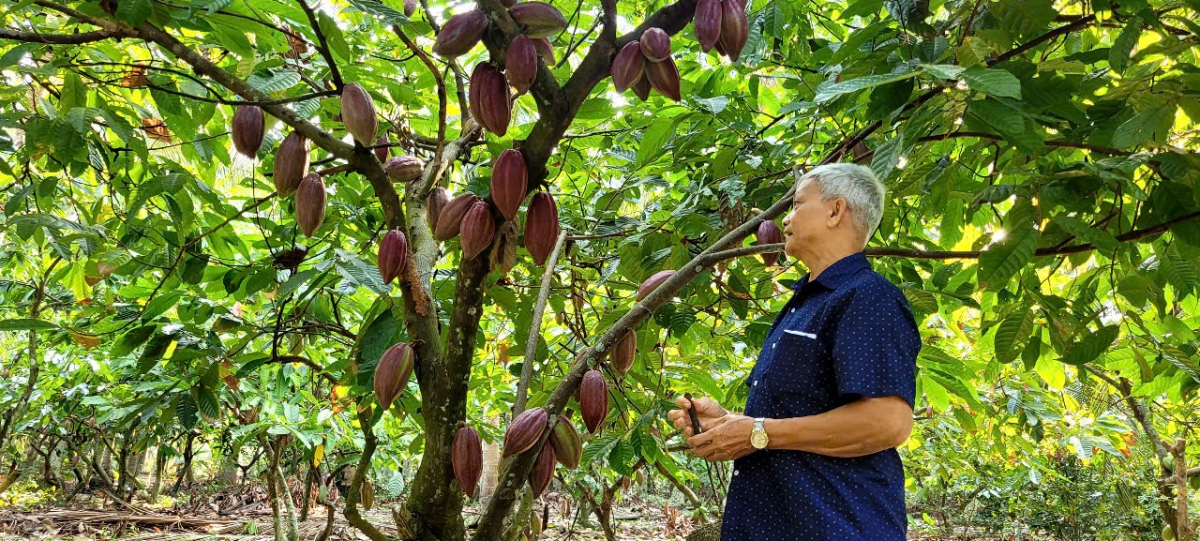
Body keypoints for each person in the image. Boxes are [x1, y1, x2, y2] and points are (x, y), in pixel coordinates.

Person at [668, 163, 921, 540]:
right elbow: (793, 418)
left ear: (835, 211)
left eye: (798, 204)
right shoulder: (805, 303)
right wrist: (730, 424)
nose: (785, 219)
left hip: (837, 527)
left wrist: (757, 432)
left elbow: (887, 422)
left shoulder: (868, 297)